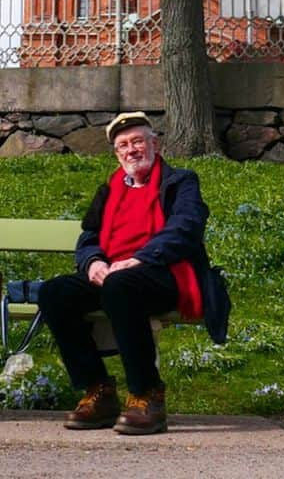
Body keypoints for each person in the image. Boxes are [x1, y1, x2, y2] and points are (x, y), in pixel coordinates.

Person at [38, 111, 228, 436]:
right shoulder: (109, 189)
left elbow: (186, 228)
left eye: (138, 141)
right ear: (116, 154)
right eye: (123, 145)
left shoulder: (181, 181)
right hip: (114, 274)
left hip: (165, 273)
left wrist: (140, 259)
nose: (131, 150)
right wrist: (93, 262)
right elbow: (88, 237)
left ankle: (146, 394)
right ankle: (98, 391)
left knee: (120, 286)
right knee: (54, 293)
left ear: (154, 144)